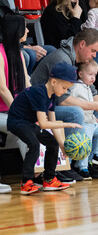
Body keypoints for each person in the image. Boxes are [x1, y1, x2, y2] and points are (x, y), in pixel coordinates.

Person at [31, 29, 98, 179]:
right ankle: (67, 163)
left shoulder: (79, 61)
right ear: (82, 44)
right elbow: (63, 100)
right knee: (75, 113)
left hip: (54, 105)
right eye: (93, 51)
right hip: (40, 108)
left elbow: (92, 94)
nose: (94, 55)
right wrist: (96, 106)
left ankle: (85, 163)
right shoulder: (62, 59)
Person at [7, 62, 82, 195]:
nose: (65, 91)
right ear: (53, 81)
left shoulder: (52, 96)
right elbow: (43, 124)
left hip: (29, 123)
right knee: (34, 144)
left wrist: (62, 144)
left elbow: (52, 121)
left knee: (52, 143)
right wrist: (67, 124)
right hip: (17, 122)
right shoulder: (39, 93)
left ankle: (49, 180)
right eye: (64, 88)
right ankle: (26, 183)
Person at [0, 14, 32, 193]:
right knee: (23, 128)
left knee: (32, 129)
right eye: (25, 27)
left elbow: (27, 84)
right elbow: (3, 89)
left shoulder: (19, 53)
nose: (28, 30)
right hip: (3, 112)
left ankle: (37, 175)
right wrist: (19, 114)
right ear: (16, 30)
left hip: (9, 112)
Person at [69, 60, 98, 179]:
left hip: (90, 121)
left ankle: (97, 155)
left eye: (95, 75)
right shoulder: (75, 86)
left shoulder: (88, 87)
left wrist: (94, 118)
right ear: (80, 74)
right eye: (90, 74)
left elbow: (90, 107)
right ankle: (82, 166)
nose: (93, 78)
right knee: (87, 140)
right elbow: (74, 103)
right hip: (82, 123)